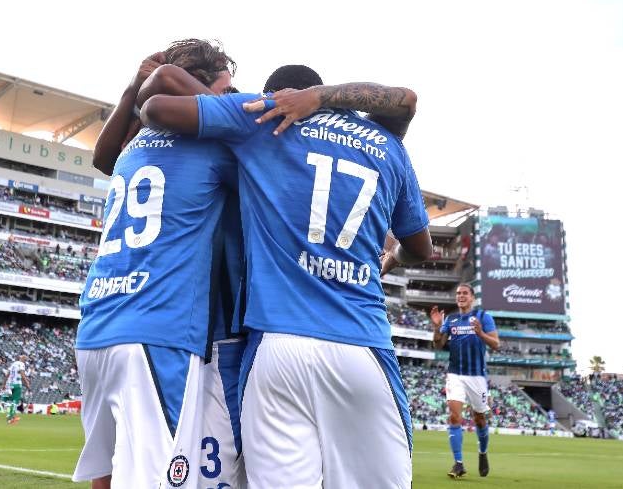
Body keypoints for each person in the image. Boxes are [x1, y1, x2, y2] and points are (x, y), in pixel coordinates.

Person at [139, 69, 430, 488]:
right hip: (361, 345)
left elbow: (157, 108)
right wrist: (392, 258)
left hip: (277, 347)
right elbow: (420, 247)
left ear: (280, 92)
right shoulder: (387, 145)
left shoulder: (264, 117)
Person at [74, 40, 244, 489]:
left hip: (98, 326)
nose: (230, 100)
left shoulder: (133, 145)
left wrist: (133, 89)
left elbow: (101, 159)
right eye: (225, 91)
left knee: (107, 474)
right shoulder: (214, 145)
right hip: (157, 331)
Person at [430, 283, 501, 479]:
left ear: (472, 297)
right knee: (454, 416)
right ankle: (458, 463)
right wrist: (437, 327)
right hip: (455, 375)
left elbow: (496, 344)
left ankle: (483, 453)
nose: (460, 296)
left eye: (464, 293)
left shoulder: (483, 317)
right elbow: (438, 344)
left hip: (477, 376)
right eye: (458, 293)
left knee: (479, 418)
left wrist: (481, 334)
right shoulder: (451, 319)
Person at [0, 355, 29, 425]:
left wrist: (4, 384)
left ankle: (9, 416)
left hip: (9, 384)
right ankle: (10, 417)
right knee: (15, 402)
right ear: (23, 359)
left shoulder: (13, 364)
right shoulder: (21, 364)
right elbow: (22, 374)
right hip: (17, 385)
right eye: (25, 359)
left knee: (5, 399)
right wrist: (27, 383)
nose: (25, 361)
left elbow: (7, 374)